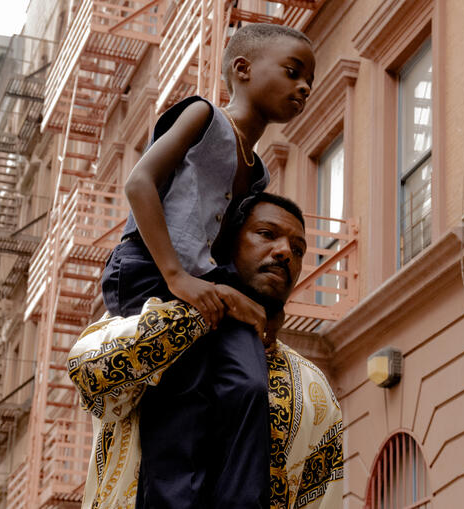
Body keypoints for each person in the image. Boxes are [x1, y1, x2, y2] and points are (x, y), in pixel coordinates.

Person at [98, 22, 316, 508]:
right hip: (150, 266)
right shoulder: (203, 115)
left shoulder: (257, 171)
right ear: (242, 69)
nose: (304, 86)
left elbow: (225, 252)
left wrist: (259, 306)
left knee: (250, 383)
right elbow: (139, 184)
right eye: (293, 71)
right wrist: (177, 278)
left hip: (204, 278)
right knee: (187, 388)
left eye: (310, 81)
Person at [70, 194, 343, 508]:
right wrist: (212, 306)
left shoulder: (314, 389)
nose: (284, 252)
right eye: (267, 234)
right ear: (225, 243)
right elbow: (88, 373)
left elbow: (321, 500)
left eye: (298, 249)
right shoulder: (148, 321)